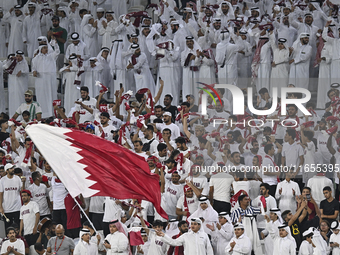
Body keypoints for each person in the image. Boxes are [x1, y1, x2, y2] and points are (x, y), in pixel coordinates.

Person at [32, 42, 60, 118]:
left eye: (46, 47)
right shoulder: (36, 58)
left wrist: (55, 44)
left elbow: (57, 52)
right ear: (40, 49)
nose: (46, 49)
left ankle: (52, 113)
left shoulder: (51, 56)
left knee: (51, 95)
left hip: (49, 80)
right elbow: (34, 68)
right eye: (44, 48)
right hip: (40, 80)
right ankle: (42, 114)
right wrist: (34, 72)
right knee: (41, 97)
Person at [5, 51, 29, 117]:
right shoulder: (13, 62)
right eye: (17, 56)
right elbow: (6, 67)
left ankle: (21, 116)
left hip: (21, 87)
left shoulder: (24, 63)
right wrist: (10, 60)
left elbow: (26, 71)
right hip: (12, 85)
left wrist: (22, 72)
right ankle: (12, 115)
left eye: (20, 56)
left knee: (20, 99)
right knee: (12, 99)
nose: (18, 58)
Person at [0, 163, 22, 229]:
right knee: (7, 227)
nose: (13, 169)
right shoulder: (2, 180)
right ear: (7, 171)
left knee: (17, 226)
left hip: (17, 207)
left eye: (13, 168)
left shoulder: (17, 178)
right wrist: (0, 207)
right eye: (11, 168)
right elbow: (1, 194)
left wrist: (23, 182)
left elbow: (21, 190)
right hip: (7, 208)